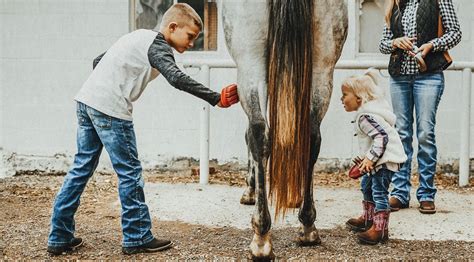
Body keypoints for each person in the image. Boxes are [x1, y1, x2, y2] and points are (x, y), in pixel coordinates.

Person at [47, 3, 239, 256]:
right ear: (172, 27)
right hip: (110, 110)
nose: (192, 42)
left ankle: (59, 237)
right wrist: (215, 98)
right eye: (190, 36)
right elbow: (176, 78)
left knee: (81, 169)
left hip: (86, 101)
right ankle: (136, 237)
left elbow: (98, 60)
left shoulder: (136, 37)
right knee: (130, 173)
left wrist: (107, 87)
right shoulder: (158, 45)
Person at [379, 0, 461, 214]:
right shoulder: (394, 3)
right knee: (401, 134)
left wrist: (432, 45)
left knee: (425, 133)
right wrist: (396, 42)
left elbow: (455, 33)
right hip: (399, 78)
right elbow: (383, 44)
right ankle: (399, 193)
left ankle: (426, 194)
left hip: (430, 75)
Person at [341, 70, 407, 245]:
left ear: (359, 99)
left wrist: (370, 159)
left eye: (345, 95)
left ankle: (380, 229)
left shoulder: (365, 117)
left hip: (384, 162)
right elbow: (372, 141)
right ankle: (369, 219)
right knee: (366, 186)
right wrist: (364, 158)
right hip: (379, 159)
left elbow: (381, 137)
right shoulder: (367, 115)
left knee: (379, 192)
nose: (341, 99)